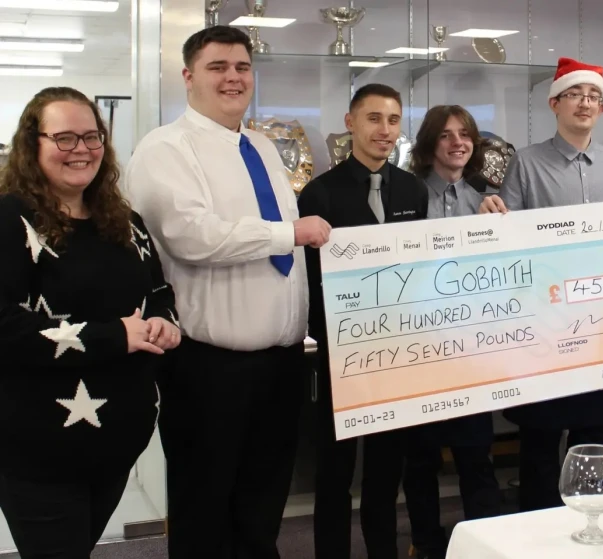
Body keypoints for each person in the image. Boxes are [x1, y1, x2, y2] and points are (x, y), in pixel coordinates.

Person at [124, 26, 331, 557]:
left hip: (280, 362)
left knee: (262, 506)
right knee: (204, 507)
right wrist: (290, 233)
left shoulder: (261, 146)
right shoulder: (165, 148)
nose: (232, 77)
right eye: (217, 67)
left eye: (242, 67)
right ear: (188, 76)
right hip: (209, 368)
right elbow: (192, 236)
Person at [478, 57, 603, 511]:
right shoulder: (526, 162)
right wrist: (491, 216)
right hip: (546, 324)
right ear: (555, 104)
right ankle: (537, 528)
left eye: (594, 97)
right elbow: (508, 237)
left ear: (601, 108)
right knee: (540, 439)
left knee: (595, 435)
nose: (585, 103)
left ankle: (589, 520)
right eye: (575, 95)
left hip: (601, 325)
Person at [0, 86, 179, 556]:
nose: (81, 149)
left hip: (118, 442)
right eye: (64, 138)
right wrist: (112, 336)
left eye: (91, 136)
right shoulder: (9, 220)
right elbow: (4, 327)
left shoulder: (125, 221)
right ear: (32, 144)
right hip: (39, 452)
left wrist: (166, 322)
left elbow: (158, 292)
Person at [297, 83, 429, 559]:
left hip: (399, 354)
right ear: (350, 123)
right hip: (341, 356)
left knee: (386, 471)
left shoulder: (413, 190)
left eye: (393, 120)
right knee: (334, 471)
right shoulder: (319, 193)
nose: (384, 130)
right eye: (373, 118)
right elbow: (309, 281)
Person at [403, 105, 502, 559]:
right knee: (420, 458)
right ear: (429, 144)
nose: (457, 143)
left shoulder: (489, 199)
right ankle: (425, 543)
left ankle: (485, 545)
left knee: (475, 454)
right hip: (418, 348)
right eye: (446, 135)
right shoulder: (406, 194)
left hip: (472, 352)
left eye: (465, 134)